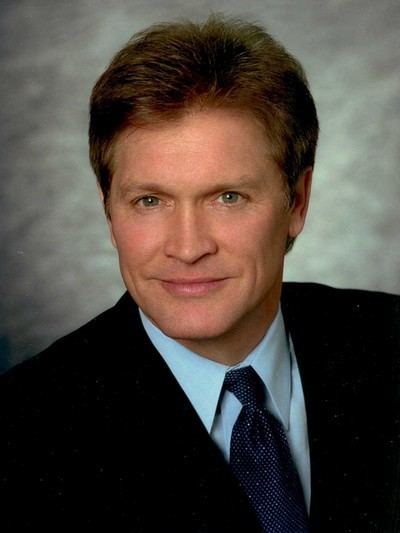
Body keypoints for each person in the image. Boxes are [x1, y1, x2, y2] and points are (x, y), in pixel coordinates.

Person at [0, 14, 399, 533]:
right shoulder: (22, 434)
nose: (188, 248)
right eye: (149, 200)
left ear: (296, 202)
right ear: (108, 211)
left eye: (228, 197)